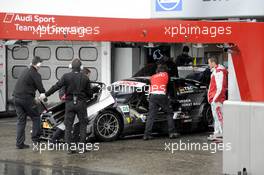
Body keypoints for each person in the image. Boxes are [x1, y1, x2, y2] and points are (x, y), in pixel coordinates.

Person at [40, 59, 91, 153]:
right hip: (81, 104)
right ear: (81, 68)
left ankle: (68, 149)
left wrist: (46, 94)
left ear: (71, 67)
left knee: (68, 126)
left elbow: (56, 87)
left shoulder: (66, 76)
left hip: (70, 104)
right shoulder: (85, 78)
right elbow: (90, 93)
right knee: (83, 125)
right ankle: (82, 148)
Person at [51, 67, 91, 144]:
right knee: (67, 123)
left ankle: (73, 141)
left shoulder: (72, 78)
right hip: (71, 104)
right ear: (85, 74)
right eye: (88, 76)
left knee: (73, 123)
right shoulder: (82, 80)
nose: (88, 78)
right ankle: (54, 139)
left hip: (69, 104)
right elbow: (63, 88)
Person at [13, 56, 46, 149]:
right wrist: (43, 97)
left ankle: (19, 143)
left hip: (16, 98)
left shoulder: (25, 70)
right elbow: (41, 89)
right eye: (41, 64)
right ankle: (36, 139)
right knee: (36, 117)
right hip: (26, 99)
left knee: (21, 120)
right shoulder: (35, 74)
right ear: (38, 64)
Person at [143, 64, 180, 140]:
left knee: (151, 116)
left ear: (158, 70)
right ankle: (172, 133)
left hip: (152, 96)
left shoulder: (152, 77)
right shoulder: (166, 75)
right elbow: (170, 88)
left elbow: (150, 86)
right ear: (165, 70)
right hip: (162, 96)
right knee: (169, 113)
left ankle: (146, 135)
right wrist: (172, 98)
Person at [207, 56, 228, 140]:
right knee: (216, 117)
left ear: (213, 63)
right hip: (215, 99)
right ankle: (217, 133)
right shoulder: (216, 71)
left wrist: (214, 99)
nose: (208, 65)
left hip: (217, 99)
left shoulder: (218, 72)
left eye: (209, 63)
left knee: (219, 117)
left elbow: (219, 87)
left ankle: (222, 133)